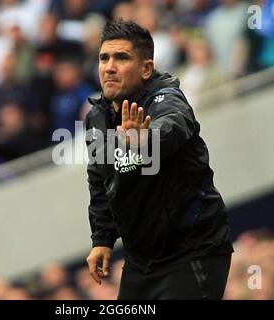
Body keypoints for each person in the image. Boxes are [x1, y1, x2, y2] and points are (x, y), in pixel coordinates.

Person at [84, 20, 233, 300]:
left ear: (146, 69)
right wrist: (102, 240)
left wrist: (146, 140)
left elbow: (173, 125)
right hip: (141, 261)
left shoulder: (167, 99)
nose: (109, 67)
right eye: (104, 58)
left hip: (193, 251)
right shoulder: (97, 118)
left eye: (121, 57)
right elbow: (99, 182)